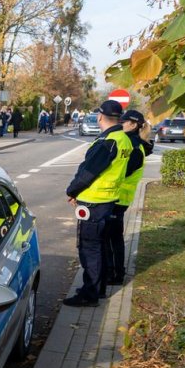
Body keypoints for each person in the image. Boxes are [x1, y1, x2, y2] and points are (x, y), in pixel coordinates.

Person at [63, 100, 133, 307]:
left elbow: (88, 172)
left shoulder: (108, 141)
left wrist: (72, 191)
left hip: (94, 202)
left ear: (101, 117)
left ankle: (90, 294)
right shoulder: (124, 139)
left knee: (90, 249)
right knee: (100, 247)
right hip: (109, 200)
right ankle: (98, 288)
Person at [104, 110, 153, 286]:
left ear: (133, 125)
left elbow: (121, 172)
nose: (120, 125)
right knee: (114, 238)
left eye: (123, 122)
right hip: (118, 198)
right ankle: (115, 274)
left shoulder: (134, 147)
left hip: (116, 198)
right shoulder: (135, 144)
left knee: (111, 239)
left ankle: (114, 275)